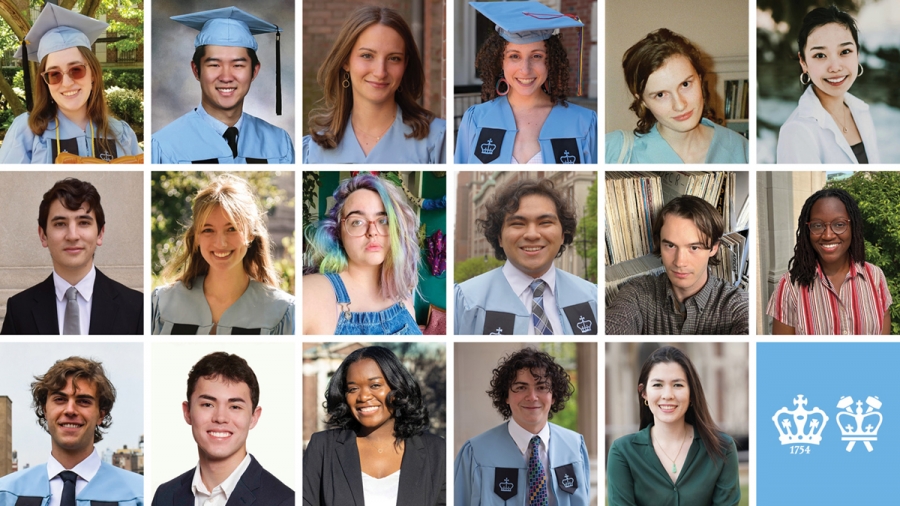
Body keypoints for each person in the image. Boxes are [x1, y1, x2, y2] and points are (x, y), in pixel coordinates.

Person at [455, 2, 597, 164]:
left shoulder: (584, 123)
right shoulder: (476, 119)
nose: (525, 70)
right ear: (500, 61)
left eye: (537, 56)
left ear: (550, 61)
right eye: (514, 56)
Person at [151, 174, 294, 335]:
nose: (220, 243)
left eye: (231, 228)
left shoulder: (281, 311)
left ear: (250, 234)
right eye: (208, 230)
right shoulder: (162, 304)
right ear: (197, 237)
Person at [0, 4, 141, 164]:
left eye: (76, 70)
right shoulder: (26, 132)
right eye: (54, 74)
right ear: (45, 81)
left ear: (93, 73)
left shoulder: (121, 134)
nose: (66, 83)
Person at [303, 346, 445, 505]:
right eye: (353, 389)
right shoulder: (322, 447)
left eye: (375, 385)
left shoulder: (437, 451)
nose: (363, 396)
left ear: (397, 388)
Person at [151, 7, 295, 164]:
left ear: (254, 71)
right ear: (196, 70)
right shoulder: (165, 145)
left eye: (238, 65)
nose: (226, 77)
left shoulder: (279, 143)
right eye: (214, 65)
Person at [304, 6, 446, 164]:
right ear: (345, 61)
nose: (380, 72)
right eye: (367, 56)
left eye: (394, 58)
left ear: (405, 64)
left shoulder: (437, 140)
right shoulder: (315, 148)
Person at [455, 179, 597, 335]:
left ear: (563, 235)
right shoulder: (466, 301)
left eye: (545, 222)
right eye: (518, 223)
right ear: (499, 237)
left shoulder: (591, 297)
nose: (532, 235)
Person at [1, 178, 142, 335]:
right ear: (43, 235)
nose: (72, 236)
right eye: (60, 224)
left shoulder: (136, 307)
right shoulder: (19, 309)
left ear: (100, 234)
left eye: (83, 223)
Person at [151, 352, 293, 506]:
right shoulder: (164, 496)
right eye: (208, 404)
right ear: (187, 412)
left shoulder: (284, 501)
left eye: (235, 407)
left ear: (254, 417)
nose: (220, 417)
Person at [455, 348, 590, 506]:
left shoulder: (575, 447)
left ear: (553, 396)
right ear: (506, 395)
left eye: (541, 387)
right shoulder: (476, 453)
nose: (532, 397)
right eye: (521, 387)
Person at [607, 346, 741, 506]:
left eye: (678, 385)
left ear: (692, 393)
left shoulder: (722, 449)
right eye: (657, 385)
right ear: (644, 393)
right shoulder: (623, 452)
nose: (668, 395)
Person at [0, 356, 144, 505]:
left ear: (101, 414)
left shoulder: (139, 495)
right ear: (45, 410)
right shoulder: (7, 494)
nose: (70, 410)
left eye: (83, 401)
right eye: (60, 399)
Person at [606, 196, 748, 335]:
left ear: (714, 248)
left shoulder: (736, 305)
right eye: (670, 245)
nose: (679, 262)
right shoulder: (636, 293)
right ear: (659, 244)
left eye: (694, 248)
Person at [606, 28, 748, 164]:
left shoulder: (742, 150)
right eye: (660, 94)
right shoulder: (613, 151)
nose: (680, 105)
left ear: (700, 79)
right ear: (642, 100)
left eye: (685, 84)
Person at [303, 174, 421, 335]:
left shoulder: (403, 296)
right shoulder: (311, 293)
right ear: (338, 231)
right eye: (357, 222)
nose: (372, 232)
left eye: (383, 220)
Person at [767, 188, 891, 334]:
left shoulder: (875, 276)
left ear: (853, 227)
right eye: (817, 225)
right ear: (808, 230)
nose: (827, 235)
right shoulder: (789, 286)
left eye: (839, 224)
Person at [777, 6, 878, 164]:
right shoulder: (796, 130)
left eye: (845, 52)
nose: (835, 67)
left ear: (857, 54)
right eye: (820, 55)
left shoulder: (862, 111)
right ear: (803, 62)